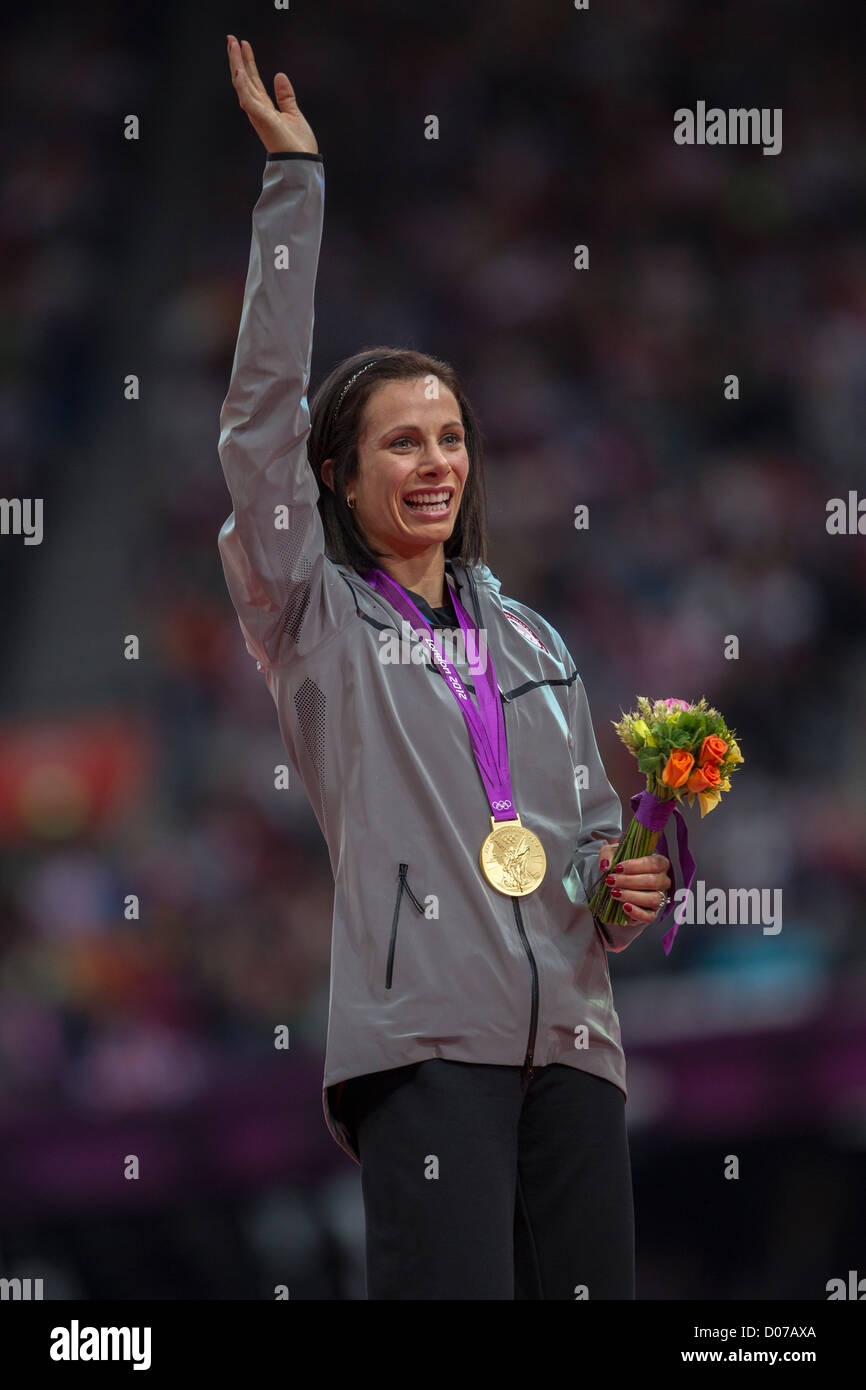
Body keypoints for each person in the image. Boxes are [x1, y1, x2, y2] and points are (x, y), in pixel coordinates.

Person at [220, 35, 672, 1300]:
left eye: (452, 436)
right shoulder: (309, 612)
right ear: (336, 476)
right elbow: (255, 423)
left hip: (576, 1048)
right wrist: (295, 190)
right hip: (422, 1051)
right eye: (401, 441)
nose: (435, 461)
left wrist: (619, 885)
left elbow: (582, 845)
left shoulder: (529, 638)